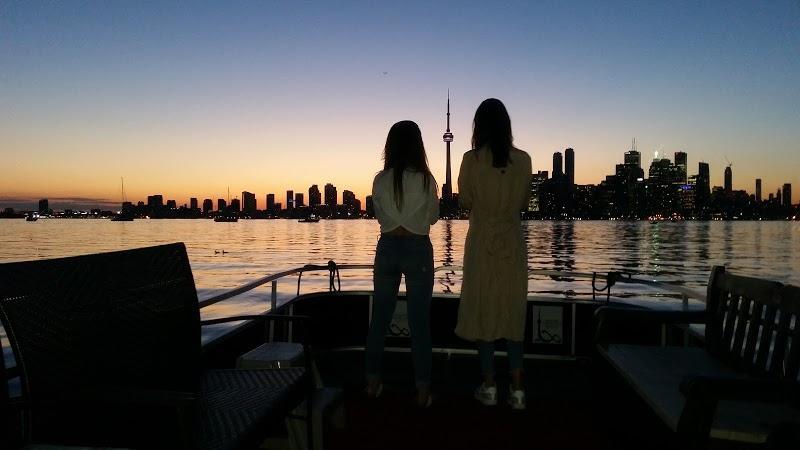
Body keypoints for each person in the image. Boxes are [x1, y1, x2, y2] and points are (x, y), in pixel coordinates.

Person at [455, 98, 532, 410]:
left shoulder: (470, 160)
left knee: (483, 312)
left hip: (481, 244)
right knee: (512, 313)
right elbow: (523, 203)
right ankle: (518, 389)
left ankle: (489, 386)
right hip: (512, 243)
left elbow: (464, 201)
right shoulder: (523, 160)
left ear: (479, 127)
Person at [365, 120, 439, 407]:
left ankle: (373, 383)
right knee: (419, 323)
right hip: (418, 249)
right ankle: (422, 390)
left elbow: (379, 215)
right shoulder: (426, 179)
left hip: (387, 248)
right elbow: (433, 218)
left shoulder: (380, 179)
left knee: (379, 320)